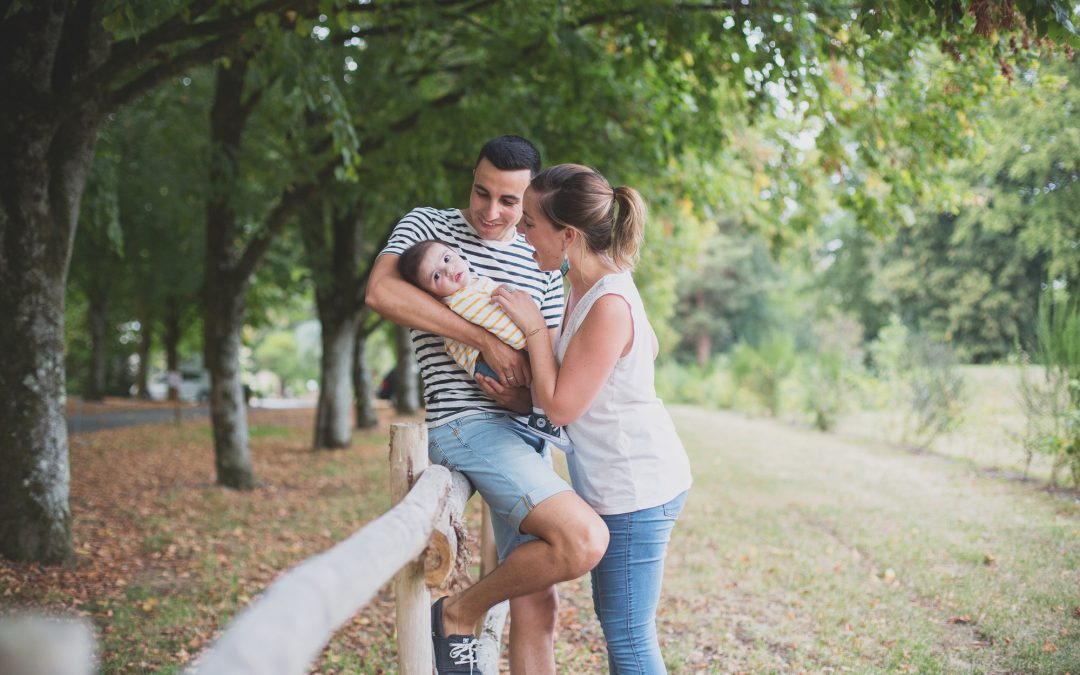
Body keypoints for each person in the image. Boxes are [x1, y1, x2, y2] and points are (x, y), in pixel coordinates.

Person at [365, 136, 608, 674]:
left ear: (532, 204)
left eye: (509, 202)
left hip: (527, 429)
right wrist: (484, 341)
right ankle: (456, 614)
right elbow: (381, 294)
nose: (490, 211)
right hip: (466, 424)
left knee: (538, 606)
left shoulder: (541, 253)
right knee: (580, 538)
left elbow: (542, 363)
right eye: (481, 192)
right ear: (471, 178)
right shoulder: (428, 228)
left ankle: (461, 614)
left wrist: (524, 391)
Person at [491, 163, 693, 674]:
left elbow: (561, 406)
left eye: (530, 222)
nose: (521, 231)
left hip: (635, 488)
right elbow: (644, 349)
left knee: (628, 637)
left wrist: (536, 332)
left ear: (569, 235)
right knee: (621, 625)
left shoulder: (607, 301)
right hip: (620, 482)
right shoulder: (585, 284)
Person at [396, 238, 564, 446]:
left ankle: (547, 416)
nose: (448, 270)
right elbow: (497, 325)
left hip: (510, 356)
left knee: (542, 375)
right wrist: (531, 344)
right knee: (537, 375)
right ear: (432, 294)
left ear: (456, 252)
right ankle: (544, 421)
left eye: (447, 259)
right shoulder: (458, 302)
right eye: (436, 276)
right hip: (486, 366)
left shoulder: (476, 283)